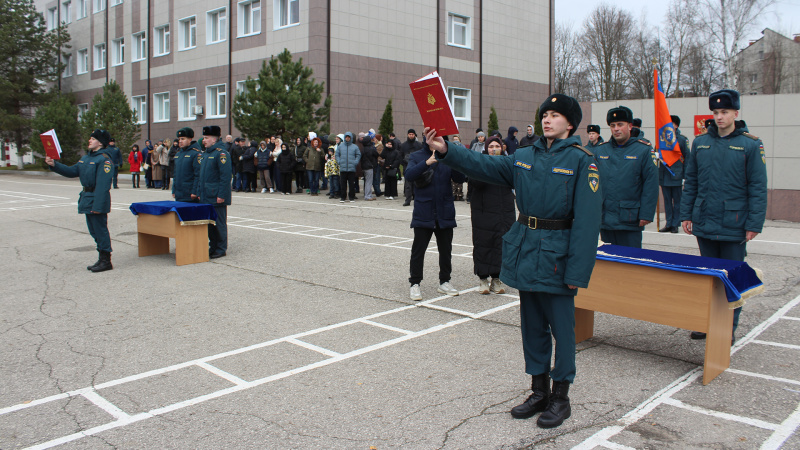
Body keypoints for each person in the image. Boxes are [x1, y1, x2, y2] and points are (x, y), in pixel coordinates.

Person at [427, 93, 602, 429]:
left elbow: (587, 222)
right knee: (532, 326)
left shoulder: (583, 161)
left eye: (554, 115)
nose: (547, 119)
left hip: (558, 255)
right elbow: (484, 165)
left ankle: (561, 395)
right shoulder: (524, 156)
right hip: (527, 249)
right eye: (544, 114)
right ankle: (538, 390)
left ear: (569, 123)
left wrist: (578, 270)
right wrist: (447, 149)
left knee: (563, 330)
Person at [681, 89, 767, 342]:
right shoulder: (700, 142)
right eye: (716, 112)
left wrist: (754, 223)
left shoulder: (750, 144)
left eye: (725, 112)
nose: (719, 117)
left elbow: (758, 187)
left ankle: (727, 328)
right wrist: (686, 214)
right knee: (708, 277)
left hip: (735, 223)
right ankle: (707, 323)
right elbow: (692, 181)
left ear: (735, 114)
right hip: (705, 220)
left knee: (732, 277)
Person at [45, 129, 116, 272]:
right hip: (87, 198)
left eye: (93, 138)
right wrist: (54, 164)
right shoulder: (86, 158)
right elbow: (72, 171)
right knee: (93, 230)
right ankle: (101, 257)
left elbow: (103, 186)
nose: (90, 140)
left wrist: (98, 205)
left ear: (101, 142)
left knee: (100, 230)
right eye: (90, 138)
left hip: (97, 199)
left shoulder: (104, 159)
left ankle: (106, 260)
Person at [405, 139, 465, 301]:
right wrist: (427, 163)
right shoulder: (417, 155)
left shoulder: (447, 155)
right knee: (418, 250)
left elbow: (460, 178)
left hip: (444, 210)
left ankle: (445, 281)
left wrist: (454, 159)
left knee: (446, 250)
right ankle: (415, 283)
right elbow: (409, 175)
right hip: (424, 210)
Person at [594, 106, 658, 248]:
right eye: (612, 125)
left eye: (620, 125)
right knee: (608, 262)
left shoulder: (644, 150)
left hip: (630, 218)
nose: (616, 129)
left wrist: (646, 214)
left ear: (630, 126)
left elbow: (651, 183)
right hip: (605, 219)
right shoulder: (600, 150)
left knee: (630, 265)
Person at [468, 136, 515, 295]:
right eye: (491, 146)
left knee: (500, 244)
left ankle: (496, 278)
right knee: (483, 243)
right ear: (485, 149)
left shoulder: (508, 163)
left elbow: (515, 182)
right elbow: (474, 182)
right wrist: (488, 165)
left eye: (497, 146)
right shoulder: (479, 162)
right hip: (483, 212)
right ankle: (483, 278)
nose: (494, 149)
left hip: (503, 212)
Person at [198, 125, 232, 258]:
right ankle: (213, 246)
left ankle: (221, 248)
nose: (204, 140)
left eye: (206, 138)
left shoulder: (221, 154)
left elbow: (225, 177)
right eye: (204, 137)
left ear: (214, 139)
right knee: (210, 224)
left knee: (219, 223)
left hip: (216, 195)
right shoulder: (206, 154)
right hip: (206, 194)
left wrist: (222, 195)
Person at [659, 115, 689, 233]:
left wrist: (685, 176)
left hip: (676, 174)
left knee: (677, 201)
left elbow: (687, 158)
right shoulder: (661, 138)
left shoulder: (681, 139)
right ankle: (668, 223)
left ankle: (675, 224)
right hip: (664, 174)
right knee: (667, 201)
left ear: (676, 125)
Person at [171, 127, 202, 203]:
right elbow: (176, 174)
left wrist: (195, 191)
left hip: (190, 194)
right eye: (179, 139)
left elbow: (198, 174)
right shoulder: (178, 154)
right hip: (179, 194)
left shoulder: (196, 154)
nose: (180, 141)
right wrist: (174, 189)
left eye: (183, 139)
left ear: (190, 139)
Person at [336, 132, 361, 203]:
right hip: (343, 168)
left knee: (351, 184)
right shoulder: (340, 146)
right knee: (343, 184)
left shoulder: (355, 147)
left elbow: (358, 155)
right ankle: (343, 197)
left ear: (351, 138)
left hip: (351, 169)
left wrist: (355, 162)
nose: (347, 138)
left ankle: (351, 197)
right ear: (344, 138)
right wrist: (339, 161)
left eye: (349, 137)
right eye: (346, 137)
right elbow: (337, 154)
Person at [400, 129, 423, 206]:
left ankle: (417, 199)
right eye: (409, 134)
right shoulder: (403, 145)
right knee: (408, 185)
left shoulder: (419, 145)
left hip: (417, 166)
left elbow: (421, 155)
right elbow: (400, 156)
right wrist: (403, 164)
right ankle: (408, 200)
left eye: (412, 134)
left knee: (417, 184)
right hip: (407, 167)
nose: (411, 136)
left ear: (415, 135)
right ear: (407, 135)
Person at [360, 136, 378, 201]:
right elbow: (376, 154)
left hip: (364, 166)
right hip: (369, 166)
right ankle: (367, 195)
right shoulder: (371, 148)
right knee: (369, 181)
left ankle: (369, 194)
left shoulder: (363, 149)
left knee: (367, 181)